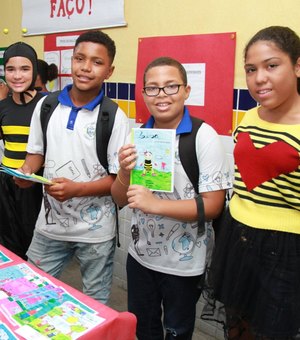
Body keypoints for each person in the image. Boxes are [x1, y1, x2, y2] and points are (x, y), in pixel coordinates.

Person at [111, 56, 232, 340]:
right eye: (152, 88)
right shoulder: (140, 135)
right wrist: (124, 171)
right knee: (144, 329)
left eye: (171, 87)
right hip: (140, 258)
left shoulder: (203, 136)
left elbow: (213, 206)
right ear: (143, 94)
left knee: (177, 331)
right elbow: (119, 199)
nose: (161, 95)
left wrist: (156, 204)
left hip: (184, 263)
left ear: (186, 91)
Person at [15, 30, 129, 304]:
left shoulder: (114, 116)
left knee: (95, 303)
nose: (86, 67)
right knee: (28, 293)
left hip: (96, 232)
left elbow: (116, 182)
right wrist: (25, 174)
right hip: (49, 225)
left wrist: (77, 189)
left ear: (109, 71)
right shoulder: (46, 105)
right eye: (79, 58)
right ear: (71, 61)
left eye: (96, 62)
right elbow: (35, 157)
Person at [204, 26, 300, 340]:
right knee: (237, 324)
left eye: (272, 66)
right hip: (237, 235)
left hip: (287, 247)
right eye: (250, 69)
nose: (259, 78)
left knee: (273, 332)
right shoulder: (248, 117)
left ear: (297, 66)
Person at [0, 42, 44, 260]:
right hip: (6, 184)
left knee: (35, 249)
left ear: (34, 70)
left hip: (35, 185)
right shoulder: (2, 107)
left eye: (24, 69)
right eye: (11, 69)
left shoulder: (48, 104)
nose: (17, 76)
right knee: (8, 244)